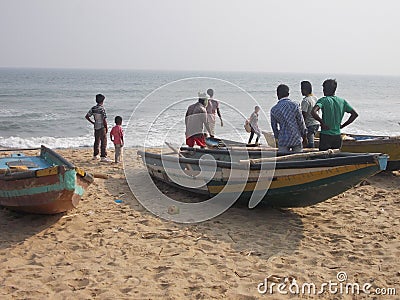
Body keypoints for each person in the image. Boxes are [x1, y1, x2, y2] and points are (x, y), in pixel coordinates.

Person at [311, 79, 358, 151]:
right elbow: (354, 114)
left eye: (323, 88)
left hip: (326, 135)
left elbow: (313, 112)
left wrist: (322, 122)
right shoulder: (342, 101)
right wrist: (342, 125)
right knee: (335, 157)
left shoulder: (323, 100)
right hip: (337, 135)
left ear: (325, 89)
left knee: (323, 157)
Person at [270, 84, 307, 154]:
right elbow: (301, 122)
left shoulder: (274, 109)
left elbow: (274, 127)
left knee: (283, 160)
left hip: (283, 139)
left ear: (277, 95)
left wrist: (278, 137)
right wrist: (304, 137)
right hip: (295, 137)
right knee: (298, 159)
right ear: (288, 94)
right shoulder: (295, 105)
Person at [85, 94, 111, 162]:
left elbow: (87, 116)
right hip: (102, 126)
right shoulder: (102, 109)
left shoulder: (93, 108)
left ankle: (95, 155)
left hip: (96, 126)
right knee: (103, 141)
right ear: (102, 101)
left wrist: (93, 122)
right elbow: (104, 119)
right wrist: (106, 127)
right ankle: (103, 156)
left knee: (96, 141)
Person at [300, 81, 320, 148]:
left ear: (305, 90)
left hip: (310, 124)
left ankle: (311, 154)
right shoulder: (315, 98)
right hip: (316, 123)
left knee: (309, 142)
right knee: (311, 138)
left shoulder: (305, 101)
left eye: (301, 89)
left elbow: (303, 115)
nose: (301, 91)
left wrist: (301, 126)